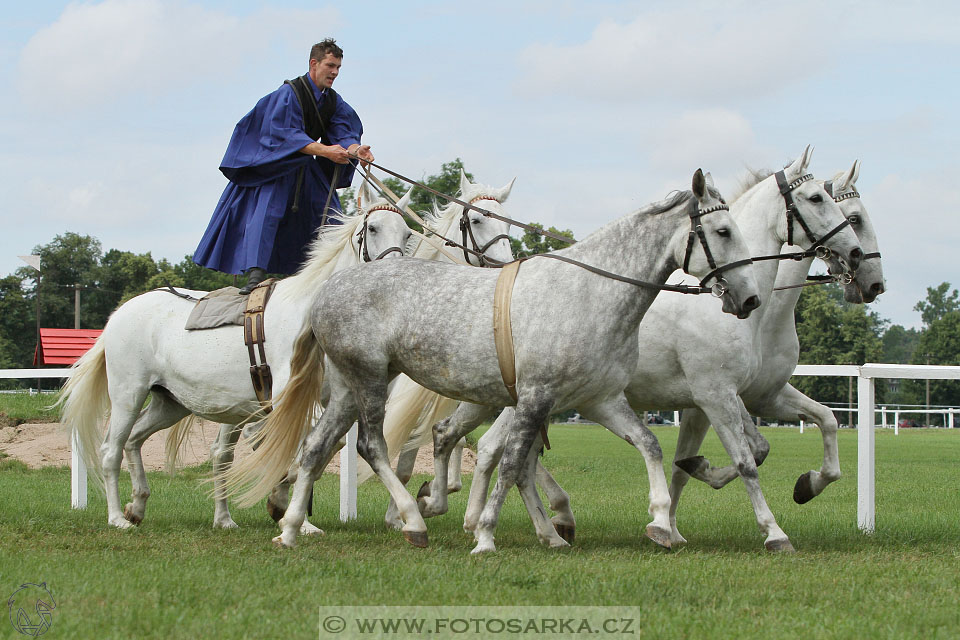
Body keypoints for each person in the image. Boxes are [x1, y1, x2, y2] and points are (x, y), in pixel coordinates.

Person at [193, 39, 374, 294]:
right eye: (330, 65)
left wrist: (356, 150)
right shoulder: (289, 94)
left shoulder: (333, 101)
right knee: (267, 212)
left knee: (329, 211)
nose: (335, 72)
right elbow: (282, 133)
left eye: (338, 68)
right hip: (277, 165)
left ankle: (334, 272)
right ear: (314, 63)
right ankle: (255, 275)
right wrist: (324, 151)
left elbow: (342, 133)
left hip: (305, 168)